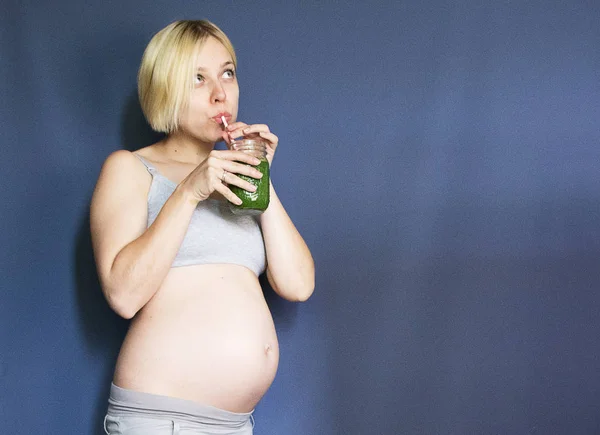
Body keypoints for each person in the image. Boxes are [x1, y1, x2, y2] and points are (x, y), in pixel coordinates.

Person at [90, 19, 315, 435]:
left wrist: (258, 174)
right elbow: (123, 295)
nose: (219, 92)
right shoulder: (131, 169)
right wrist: (190, 190)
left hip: (235, 425)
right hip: (163, 421)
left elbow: (298, 284)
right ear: (164, 89)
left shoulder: (237, 180)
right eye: (198, 79)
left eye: (227, 73)